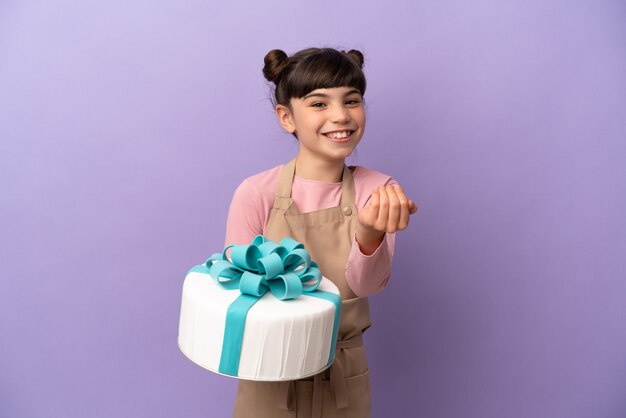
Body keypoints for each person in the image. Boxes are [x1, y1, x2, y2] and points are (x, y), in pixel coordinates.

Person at [224, 47, 417, 418]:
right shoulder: (257, 193)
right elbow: (239, 295)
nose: (340, 115)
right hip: (271, 371)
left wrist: (368, 233)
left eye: (352, 100)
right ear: (286, 117)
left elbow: (367, 284)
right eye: (318, 104)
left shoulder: (377, 191)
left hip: (343, 373)